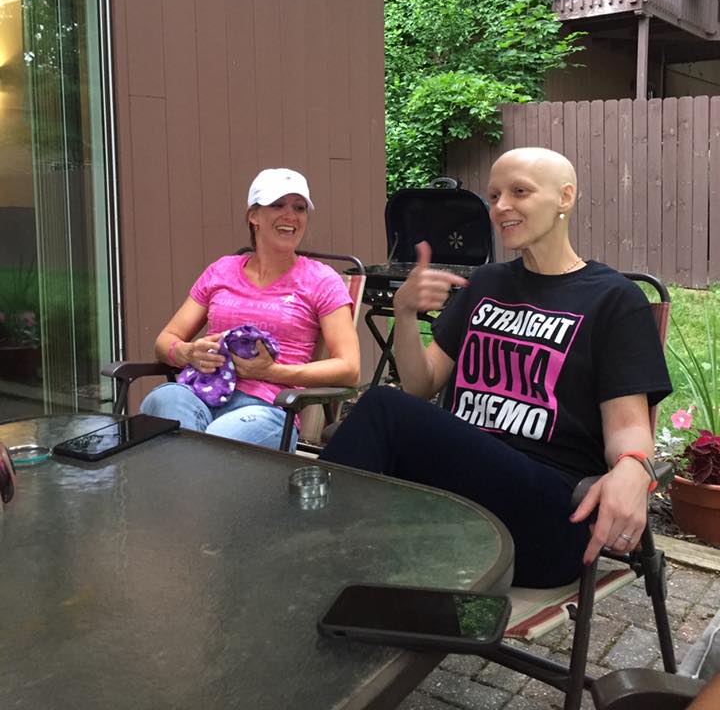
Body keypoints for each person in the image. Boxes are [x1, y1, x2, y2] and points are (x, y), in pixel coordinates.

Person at [321, 147, 672, 588]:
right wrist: (405, 314)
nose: (501, 206)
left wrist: (633, 467)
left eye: (519, 192)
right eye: (494, 196)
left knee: (380, 408)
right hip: (457, 499)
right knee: (378, 439)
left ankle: (299, 536)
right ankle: (326, 565)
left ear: (565, 197)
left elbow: (628, 426)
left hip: (547, 517)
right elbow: (421, 385)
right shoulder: (486, 283)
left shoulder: (613, 299)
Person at [140, 168, 360, 451]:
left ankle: (187, 471)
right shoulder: (221, 270)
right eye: (277, 205)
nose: (291, 216)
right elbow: (165, 340)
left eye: (299, 208)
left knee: (205, 443)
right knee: (164, 399)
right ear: (253, 216)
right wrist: (188, 353)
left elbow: (349, 368)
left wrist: (273, 372)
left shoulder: (321, 280)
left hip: (266, 409)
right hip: (201, 394)